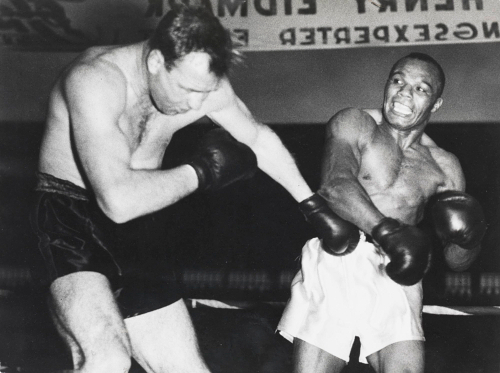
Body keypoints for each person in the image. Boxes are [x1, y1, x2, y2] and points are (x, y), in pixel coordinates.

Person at [30, 4, 353, 373]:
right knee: (107, 358)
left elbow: (258, 140)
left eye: (207, 91)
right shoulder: (94, 79)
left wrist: (314, 207)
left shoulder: (200, 81)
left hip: (139, 225)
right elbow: (117, 201)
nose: (197, 105)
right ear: (155, 61)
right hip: (70, 219)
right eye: (187, 90)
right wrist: (201, 172)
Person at [277, 52, 487, 373]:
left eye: (420, 88)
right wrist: (392, 234)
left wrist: (469, 237)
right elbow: (335, 186)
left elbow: (457, 261)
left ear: (436, 104)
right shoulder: (355, 122)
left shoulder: (444, 166)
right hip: (339, 252)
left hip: (399, 269)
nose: (404, 92)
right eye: (398, 81)